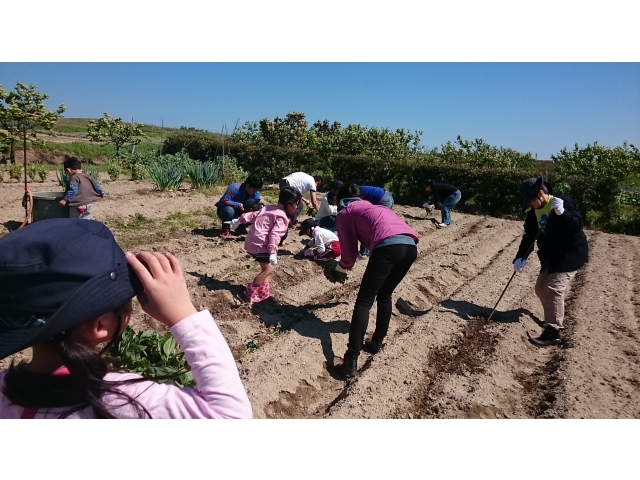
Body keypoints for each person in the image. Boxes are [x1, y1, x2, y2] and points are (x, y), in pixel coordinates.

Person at [0, 218, 252, 419]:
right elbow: (231, 417)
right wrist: (183, 313)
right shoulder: (121, 400)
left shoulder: (5, 390)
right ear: (99, 326)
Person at [327, 184, 419, 378]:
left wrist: (340, 267)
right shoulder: (376, 207)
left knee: (363, 302)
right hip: (410, 246)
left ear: (341, 199)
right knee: (384, 294)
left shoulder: (346, 212)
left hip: (388, 247)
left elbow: (350, 256)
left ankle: (350, 360)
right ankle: (377, 342)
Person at [514, 176, 588, 347]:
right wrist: (520, 257)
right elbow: (529, 237)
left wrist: (563, 214)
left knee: (553, 288)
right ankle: (551, 316)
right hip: (551, 256)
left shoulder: (562, 204)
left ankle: (553, 332)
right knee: (540, 289)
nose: (530, 204)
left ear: (540, 193)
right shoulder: (533, 215)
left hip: (570, 254)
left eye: (531, 200)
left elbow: (577, 226)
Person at [226, 187, 302, 303]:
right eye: (296, 204)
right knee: (268, 269)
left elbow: (252, 215)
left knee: (265, 267)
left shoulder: (269, 208)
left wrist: (239, 220)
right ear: (289, 204)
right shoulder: (282, 217)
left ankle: (264, 293)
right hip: (261, 245)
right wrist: (272, 252)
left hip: (252, 242)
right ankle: (251, 291)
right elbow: (275, 235)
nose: (296, 207)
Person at [215, 174, 263, 239]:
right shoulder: (234, 188)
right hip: (226, 211)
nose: (255, 192)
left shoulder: (256, 193)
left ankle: (240, 227)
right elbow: (223, 201)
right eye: (254, 189)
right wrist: (238, 205)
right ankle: (226, 229)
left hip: (241, 213)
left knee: (256, 213)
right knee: (229, 211)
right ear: (248, 185)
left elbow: (256, 205)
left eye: (257, 190)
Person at [356, 185, 396, 258]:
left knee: (367, 226)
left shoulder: (354, 193)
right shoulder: (355, 189)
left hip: (383, 200)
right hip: (387, 196)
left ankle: (364, 253)